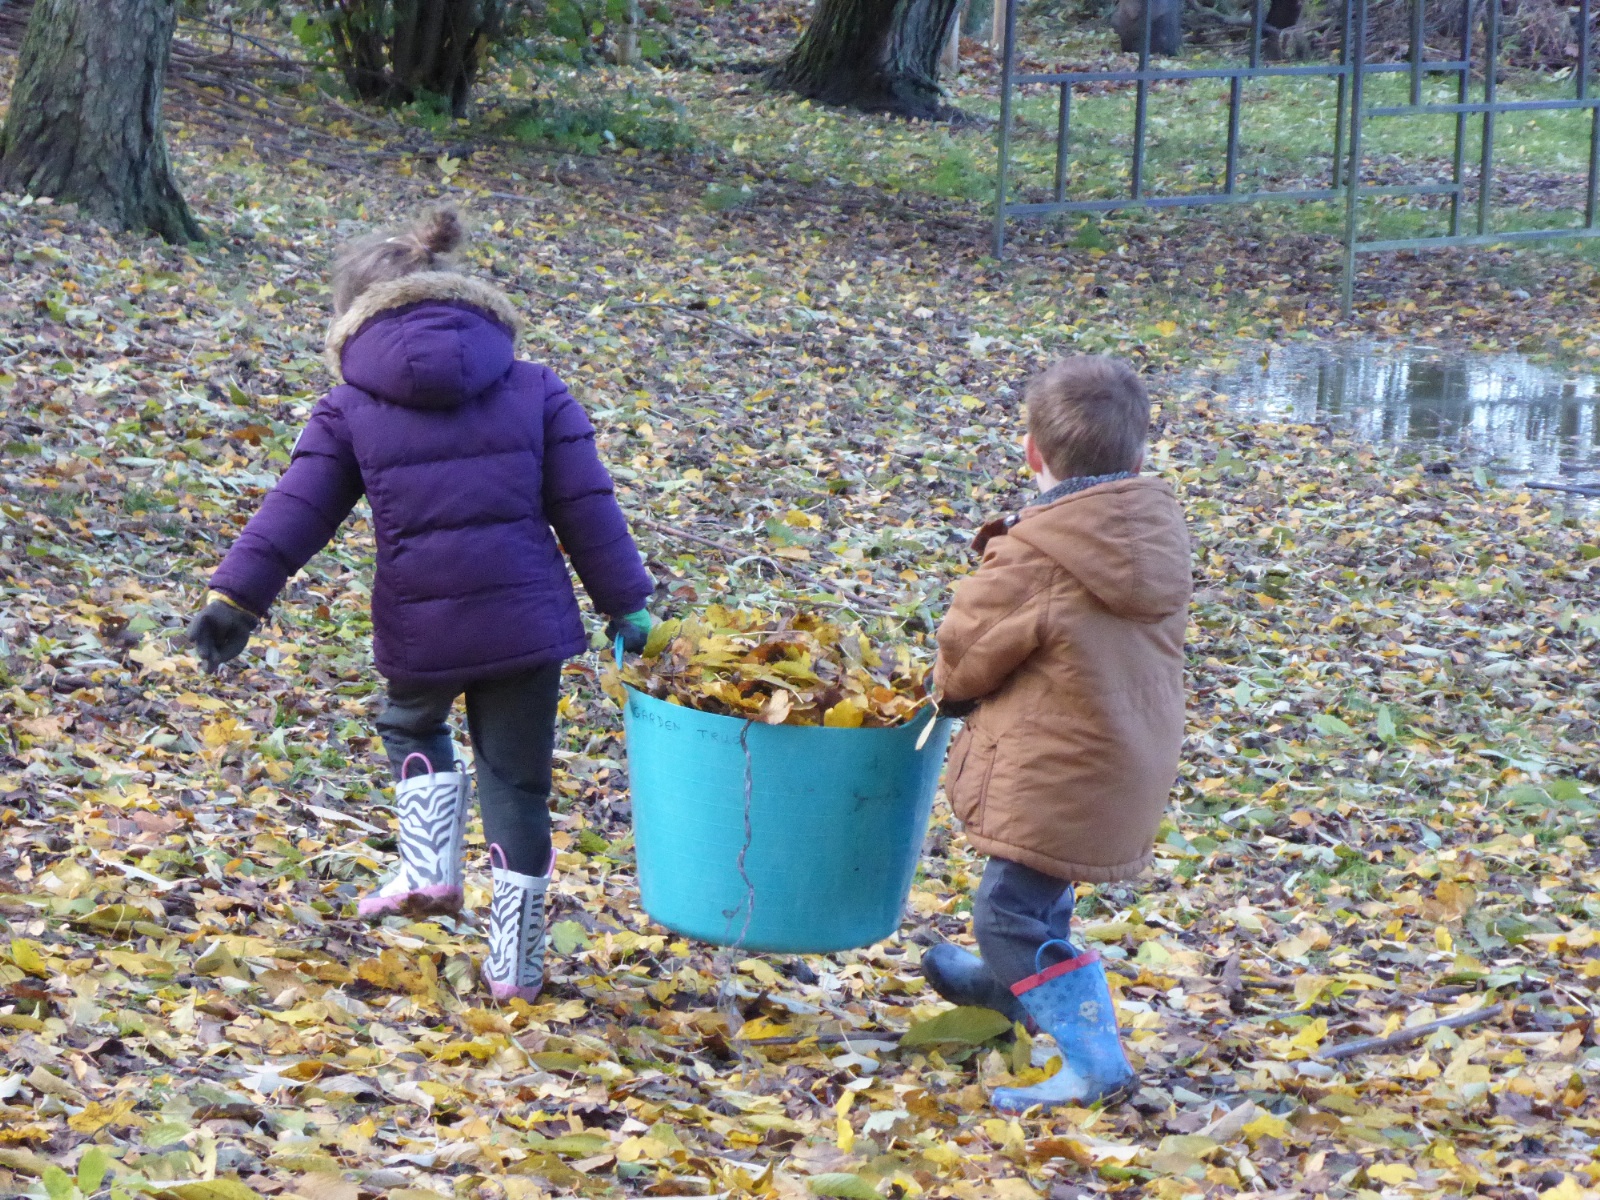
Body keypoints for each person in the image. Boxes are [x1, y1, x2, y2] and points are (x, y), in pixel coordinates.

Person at [187, 208, 655, 1002]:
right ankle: (515, 965)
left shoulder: (349, 408)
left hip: (423, 623)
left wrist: (236, 597)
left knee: (411, 723)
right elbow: (589, 509)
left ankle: (430, 870)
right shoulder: (537, 389)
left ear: (355, 314)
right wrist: (628, 606)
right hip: (527, 624)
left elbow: (297, 509)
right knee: (518, 785)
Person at [927, 355, 1191, 1112]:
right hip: (1125, 757)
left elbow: (966, 654)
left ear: (1031, 452)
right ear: (1138, 457)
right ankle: (1007, 984)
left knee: (1005, 911)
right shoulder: (1152, 535)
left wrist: (944, 695)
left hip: (1058, 769)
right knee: (1037, 891)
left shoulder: (1038, 554)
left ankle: (1093, 1061)